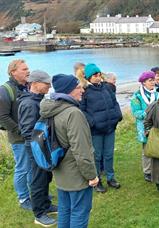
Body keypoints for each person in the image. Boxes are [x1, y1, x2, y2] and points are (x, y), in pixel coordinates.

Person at [40, 74, 99, 228]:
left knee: (65, 209)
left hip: (60, 169)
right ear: (69, 91)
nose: (82, 91)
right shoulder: (73, 113)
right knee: (80, 211)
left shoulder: (51, 110)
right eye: (78, 87)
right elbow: (82, 151)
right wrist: (91, 175)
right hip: (76, 172)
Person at [18, 70, 57, 226]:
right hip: (36, 145)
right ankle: (39, 213)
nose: (49, 85)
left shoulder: (39, 99)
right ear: (34, 84)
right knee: (37, 179)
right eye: (46, 83)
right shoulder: (29, 103)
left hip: (42, 144)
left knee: (46, 176)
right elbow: (28, 132)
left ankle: (46, 205)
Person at [80, 64, 122, 193]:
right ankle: (97, 180)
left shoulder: (107, 88)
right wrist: (93, 122)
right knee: (97, 156)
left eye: (99, 75)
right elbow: (82, 110)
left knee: (109, 154)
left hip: (110, 127)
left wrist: (117, 116)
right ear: (88, 77)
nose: (98, 78)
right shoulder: (85, 91)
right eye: (95, 75)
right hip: (96, 130)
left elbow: (114, 102)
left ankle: (111, 178)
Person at [0, 59, 32, 210]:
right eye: (24, 69)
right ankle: (23, 198)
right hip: (19, 138)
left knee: (33, 166)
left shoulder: (27, 86)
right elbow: (3, 117)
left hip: (32, 135)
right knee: (22, 168)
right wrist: (21, 130)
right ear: (13, 72)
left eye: (28, 68)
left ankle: (34, 193)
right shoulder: (5, 90)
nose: (28, 71)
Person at [130, 71, 159, 182]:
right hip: (144, 127)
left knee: (158, 147)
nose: (153, 82)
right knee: (147, 150)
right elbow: (136, 113)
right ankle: (147, 171)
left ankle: (157, 168)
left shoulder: (158, 94)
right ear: (143, 82)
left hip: (157, 126)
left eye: (153, 80)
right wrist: (149, 113)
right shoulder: (136, 96)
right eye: (150, 80)